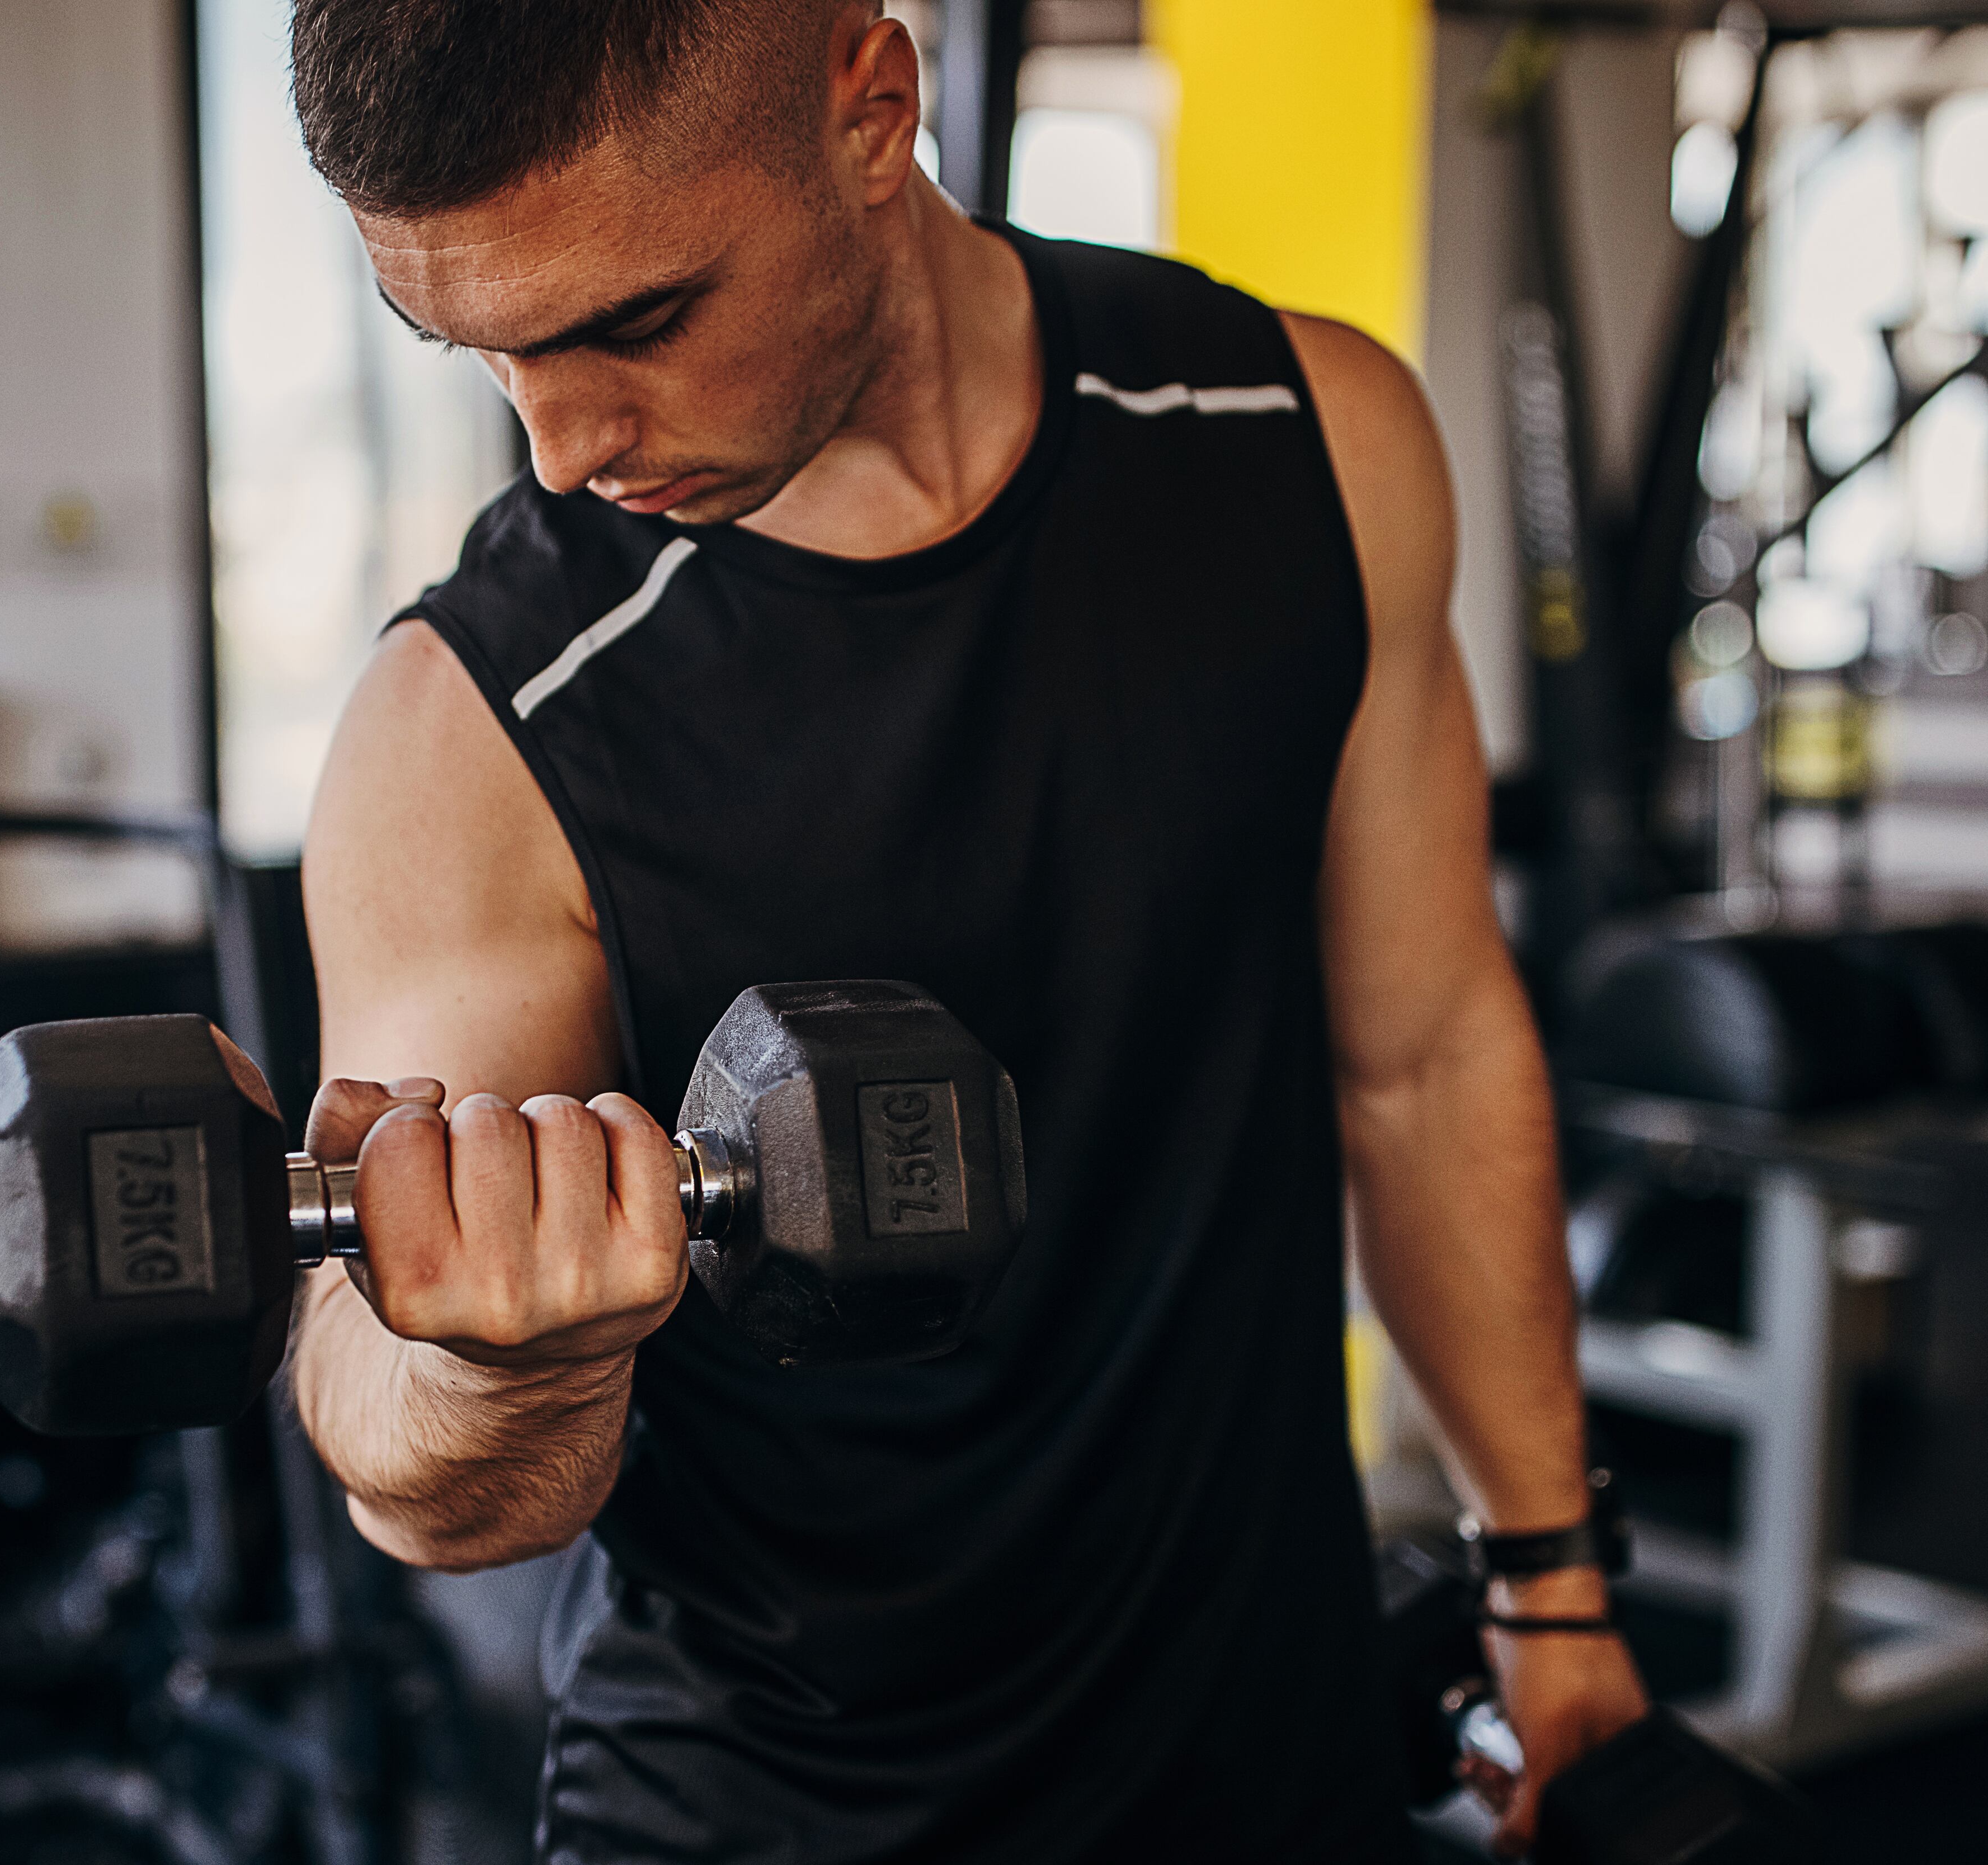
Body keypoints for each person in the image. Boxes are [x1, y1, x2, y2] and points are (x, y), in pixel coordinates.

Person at [280, 2, 1649, 1858]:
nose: (558, 451)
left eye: (636, 320)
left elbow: (1423, 1059)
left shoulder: (1303, 442)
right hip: (776, 1811)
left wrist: (1551, 1584)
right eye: (475, 349)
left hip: (1277, 1749)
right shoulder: (477, 728)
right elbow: (405, 1440)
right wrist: (492, 1358)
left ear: (872, 108)